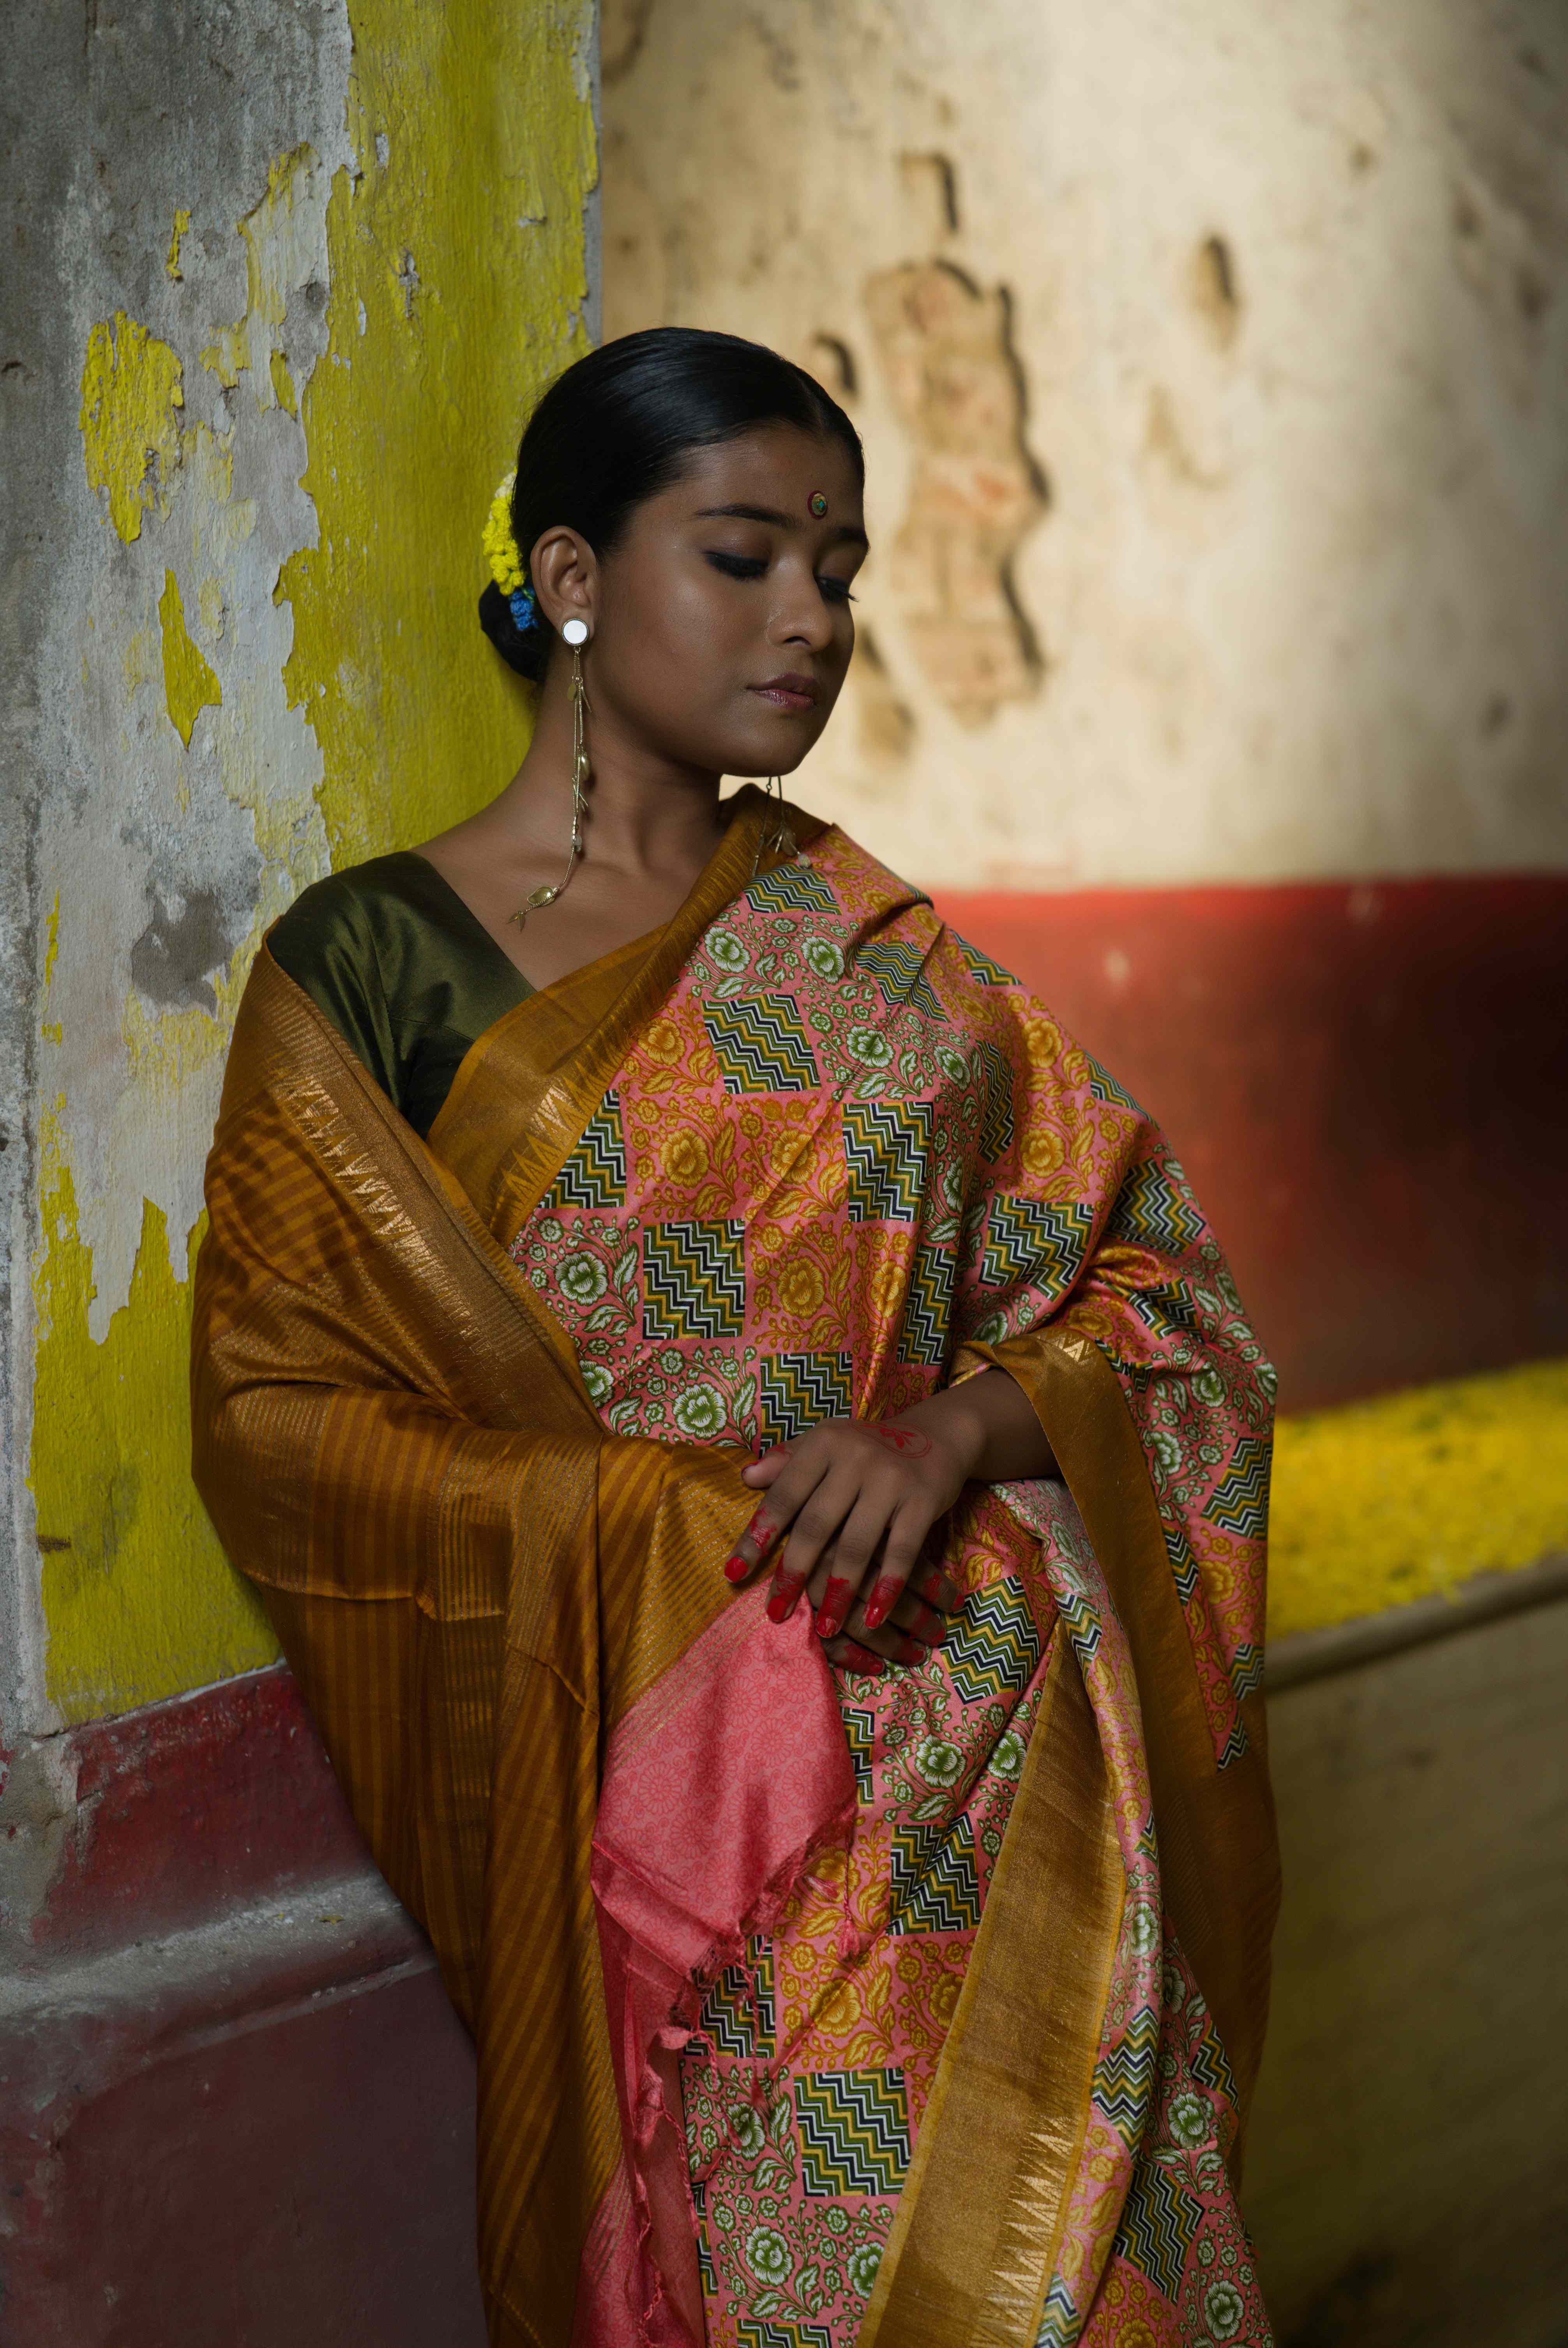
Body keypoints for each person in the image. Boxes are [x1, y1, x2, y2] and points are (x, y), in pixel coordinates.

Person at [191, 329, 1280, 2348]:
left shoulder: (881, 956)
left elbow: (1169, 1310)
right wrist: (637, 1526)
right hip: (676, 1833)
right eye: (747, 554)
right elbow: (276, 1412)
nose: (813, 616)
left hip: (971, 1776)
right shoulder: (374, 971)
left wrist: (952, 1430)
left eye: (840, 570)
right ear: (576, 576)